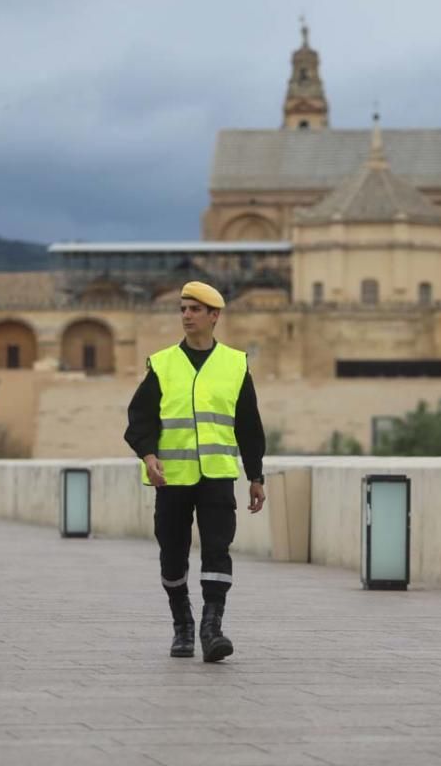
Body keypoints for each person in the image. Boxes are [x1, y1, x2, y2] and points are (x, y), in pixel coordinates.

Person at [125, 281, 266, 662]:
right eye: (183, 309)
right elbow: (139, 418)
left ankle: (211, 628)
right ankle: (182, 625)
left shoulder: (235, 364)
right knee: (173, 553)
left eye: (195, 309)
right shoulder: (163, 363)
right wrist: (148, 454)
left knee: (218, 550)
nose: (186, 315)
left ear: (214, 316)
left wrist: (256, 475)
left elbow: (249, 426)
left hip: (217, 476)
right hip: (171, 478)